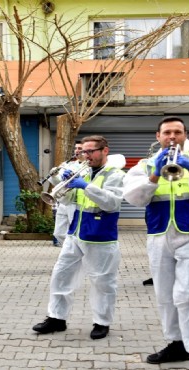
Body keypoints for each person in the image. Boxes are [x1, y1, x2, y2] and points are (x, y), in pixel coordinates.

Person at [123, 117, 189, 370]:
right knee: (165, 294)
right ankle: (176, 343)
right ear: (158, 136)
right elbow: (134, 199)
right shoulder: (145, 165)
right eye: (167, 132)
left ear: (185, 135)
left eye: (177, 132)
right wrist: (155, 174)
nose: (172, 137)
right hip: (158, 233)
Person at [32, 135, 125, 341]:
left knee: (102, 281)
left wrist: (85, 186)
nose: (87, 156)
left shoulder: (115, 174)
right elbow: (69, 200)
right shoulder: (84, 171)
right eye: (84, 152)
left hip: (100, 235)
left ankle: (102, 322)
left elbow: (112, 203)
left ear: (105, 151)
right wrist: (62, 184)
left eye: (91, 151)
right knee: (61, 274)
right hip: (76, 233)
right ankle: (57, 317)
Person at [48, 141, 83, 247]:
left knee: (75, 231)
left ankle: (74, 251)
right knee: (58, 233)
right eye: (76, 148)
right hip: (63, 201)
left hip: (75, 202)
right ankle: (69, 249)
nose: (77, 151)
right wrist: (54, 175)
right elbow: (59, 182)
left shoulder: (89, 166)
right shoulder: (68, 165)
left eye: (80, 148)